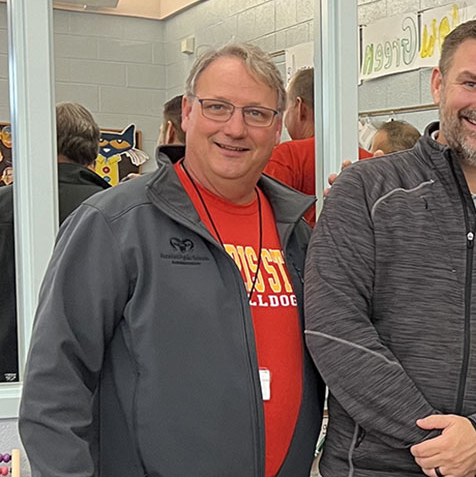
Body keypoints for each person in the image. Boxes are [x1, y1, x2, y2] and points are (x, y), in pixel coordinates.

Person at [18, 43, 324, 476]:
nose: (236, 128)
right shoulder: (116, 225)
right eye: (218, 107)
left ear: (277, 128)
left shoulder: (298, 235)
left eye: (256, 113)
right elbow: (54, 386)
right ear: (187, 112)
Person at [304, 18, 476, 477]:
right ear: (439, 84)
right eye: (470, 83)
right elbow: (334, 328)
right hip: (374, 468)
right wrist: (438, 443)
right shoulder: (365, 191)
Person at [0, 102, 111, 383]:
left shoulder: (5, 205)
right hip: (95, 376)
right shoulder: (121, 211)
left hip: (10, 373)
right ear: (93, 150)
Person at [264, 67, 372, 225]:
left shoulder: (285, 158)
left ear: (300, 107)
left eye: (286, 109)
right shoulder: (368, 161)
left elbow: (264, 222)